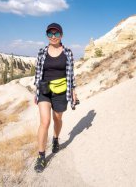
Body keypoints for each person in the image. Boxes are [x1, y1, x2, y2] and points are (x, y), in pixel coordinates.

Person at [33, 22, 78, 173]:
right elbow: (38, 72)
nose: (53, 36)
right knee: (45, 121)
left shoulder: (68, 52)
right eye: (50, 34)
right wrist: (36, 91)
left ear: (61, 35)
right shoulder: (41, 52)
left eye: (56, 33)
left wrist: (73, 90)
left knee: (57, 119)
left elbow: (71, 73)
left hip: (61, 91)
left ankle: (55, 139)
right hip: (44, 90)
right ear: (47, 35)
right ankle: (41, 156)